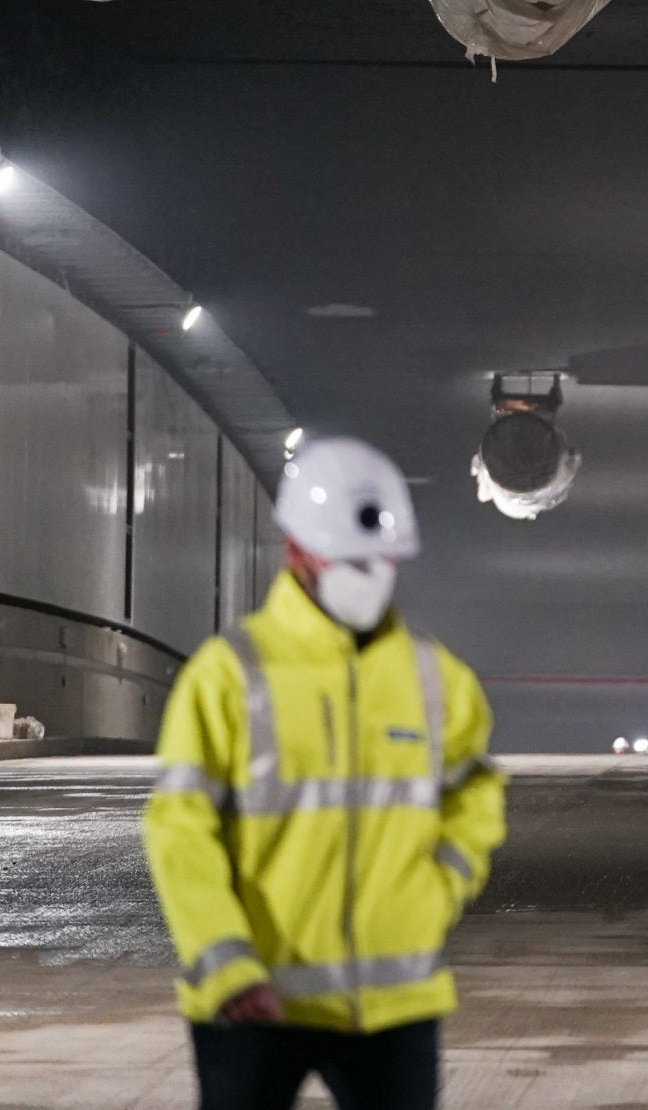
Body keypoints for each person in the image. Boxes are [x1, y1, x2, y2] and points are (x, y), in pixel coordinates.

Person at [143, 436, 506, 1110]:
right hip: (254, 998)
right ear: (295, 552)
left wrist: (443, 884)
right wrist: (223, 960)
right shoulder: (230, 676)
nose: (370, 573)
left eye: (383, 558)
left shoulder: (435, 678)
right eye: (350, 558)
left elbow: (476, 792)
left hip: (392, 1003)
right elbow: (180, 832)